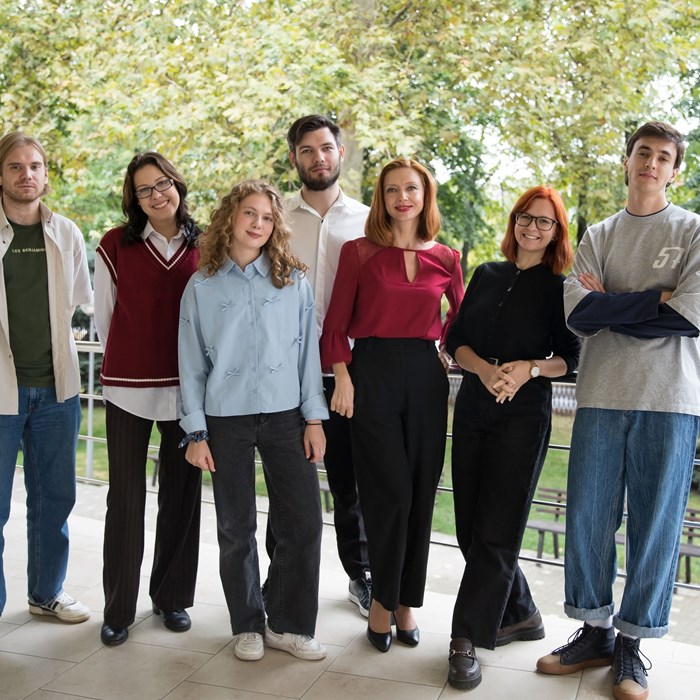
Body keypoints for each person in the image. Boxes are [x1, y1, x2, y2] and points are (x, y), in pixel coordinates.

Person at [536, 121, 700, 700]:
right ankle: (595, 631)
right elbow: (579, 315)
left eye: (663, 157)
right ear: (626, 161)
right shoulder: (599, 235)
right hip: (601, 395)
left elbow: (688, 318)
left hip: (670, 399)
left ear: (675, 170)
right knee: (588, 516)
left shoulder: (693, 231)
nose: (651, 163)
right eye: (642, 153)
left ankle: (633, 643)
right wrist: (653, 299)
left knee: (655, 523)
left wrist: (613, 304)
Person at [179, 180, 328, 662]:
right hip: (225, 420)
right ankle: (247, 623)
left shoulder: (293, 281)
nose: (258, 224)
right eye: (250, 213)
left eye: (267, 217)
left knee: (304, 522)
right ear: (231, 217)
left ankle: (288, 624)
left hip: (287, 417)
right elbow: (191, 363)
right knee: (235, 527)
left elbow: (308, 356)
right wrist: (196, 431)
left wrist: (314, 419)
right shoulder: (201, 285)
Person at [320, 157, 465, 652]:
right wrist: (342, 378)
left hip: (426, 378)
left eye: (411, 189)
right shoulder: (358, 252)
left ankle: (406, 604)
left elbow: (462, 319)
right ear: (381, 199)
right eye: (391, 190)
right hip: (371, 373)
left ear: (425, 196)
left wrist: (445, 348)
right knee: (390, 494)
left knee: (421, 493)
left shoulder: (447, 258)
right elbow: (335, 324)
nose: (402, 197)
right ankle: (382, 600)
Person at [445, 186, 580, 690]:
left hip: (523, 414)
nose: (532, 227)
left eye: (545, 221)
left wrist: (529, 369)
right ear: (514, 221)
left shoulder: (561, 288)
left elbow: (571, 357)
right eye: (526, 217)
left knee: (497, 529)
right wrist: (483, 370)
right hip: (474, 404)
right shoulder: (486, 273)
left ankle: (466, 639)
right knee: (468, 526)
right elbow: (455, 338)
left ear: (556, 231)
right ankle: (521, 612)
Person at [94, 152, 202, 646]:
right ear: (134, 199)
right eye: (144, 189)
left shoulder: (206, 244)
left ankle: (171, 598)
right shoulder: (115, 244)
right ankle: (118, 609)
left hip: (188, 392)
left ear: (177, 184)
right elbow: (105, 317)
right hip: (127, 389)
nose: (157, 195)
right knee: (125, 499)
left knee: (182, 496)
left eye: (163, 184)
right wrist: (129, 359)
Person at [279, 114, 372, 616]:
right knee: (286, 481)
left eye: (326, 148)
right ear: (294, 157)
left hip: (347, 373)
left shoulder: (369, 220)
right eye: (307, 150)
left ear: (340, 153)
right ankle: (280, 579)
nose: (318, 158)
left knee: (350, 483)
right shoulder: (274, 216)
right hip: (284, 373)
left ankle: (362, 576)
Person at [0, 132, 92, 622]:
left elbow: (74, 301)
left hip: (57, 391)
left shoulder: (67, 233)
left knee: (54, 500)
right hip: (1, 391)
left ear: (46, 174)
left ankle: (46, 593)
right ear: (1, 175)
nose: (26, 175)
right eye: (15, 166)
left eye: (35, 166)